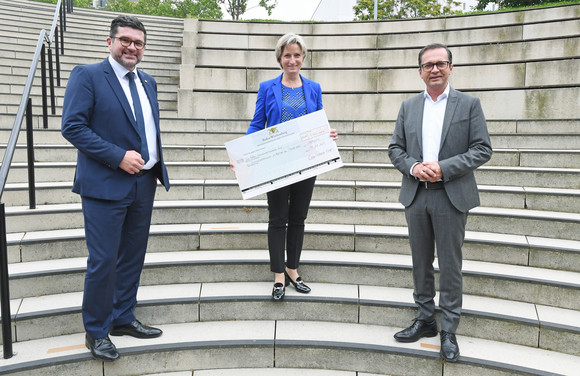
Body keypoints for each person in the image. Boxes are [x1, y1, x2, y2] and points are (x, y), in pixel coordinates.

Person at [61, 15, 170, 362]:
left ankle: (123, 317)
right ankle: (96, 331)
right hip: (105, 185)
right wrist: (118, 156)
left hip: (144, 183)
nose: (132, 47)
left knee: (132, 257)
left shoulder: (148, 81)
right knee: (104, 260)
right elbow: (73, 127)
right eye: (125, 40)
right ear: (110, 42)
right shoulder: (88, 75)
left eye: (138, 42)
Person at [388, 43, 492, 362]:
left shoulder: (469, 104)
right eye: (428, 64)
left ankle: (449, 328)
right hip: (416, 193)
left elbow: (482, 149)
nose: (435, 69)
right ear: (420, 71)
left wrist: (443, 168)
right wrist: (415, 167)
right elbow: (395, 149)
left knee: (449, 264)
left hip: (451, 194)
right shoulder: (408, 107)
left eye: (441, 63)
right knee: (421, 261)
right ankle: (425, 320)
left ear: (450, 68)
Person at [243, 32, 338, 301]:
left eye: (297, 55)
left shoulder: (314, 88)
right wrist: (244, 153)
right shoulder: (267, 87)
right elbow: (256, 123)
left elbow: (319, 122)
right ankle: (278, 276)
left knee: (298, 218)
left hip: (306, 162)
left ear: (303, 58)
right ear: (280, 58)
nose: (292, 60)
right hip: (276, 162)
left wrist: (328, 134)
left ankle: (293, 270)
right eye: (287, 55)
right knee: (277, 219)